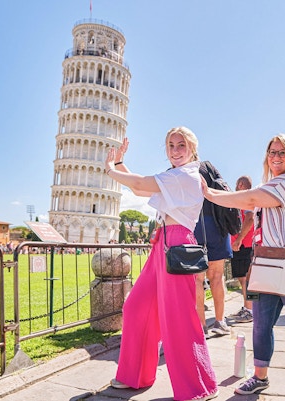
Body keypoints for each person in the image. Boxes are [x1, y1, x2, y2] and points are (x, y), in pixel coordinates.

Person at [202, 134, 285, 399]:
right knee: (261, 323)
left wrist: (209, 193)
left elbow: (249, 201)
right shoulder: (272, 183)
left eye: (282, 153)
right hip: (267, 258)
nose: (276, 157)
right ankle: (260, 376)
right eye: (271, 152)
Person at [104, 128, 218, 401]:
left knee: (178, 317)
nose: (176, 149)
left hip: (177, 241)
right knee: (136, 307)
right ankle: (134, 376)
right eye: (171, 145)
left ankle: (198, 386)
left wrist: (110, 169)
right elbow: (140, 187)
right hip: (163, 243)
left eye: (181, 145)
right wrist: (120, 165)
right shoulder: (174, 177)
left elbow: (142, 184)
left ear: (192, 149)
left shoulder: (188, 174)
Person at [195, 162, 233, 337]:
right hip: (217, 225)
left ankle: (201, 325)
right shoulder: (208, 167)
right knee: (217, 276)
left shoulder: (180, 170)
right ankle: (220, 321)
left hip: (195, 225)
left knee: (197, 279)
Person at [227, 176, 255, 323]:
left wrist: (239, 239)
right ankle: (249, 308)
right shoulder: (248, 199)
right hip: (246, 243)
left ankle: (250, 310)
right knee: (246, 278)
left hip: (244, 243)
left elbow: (249, 219)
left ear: (240, 184)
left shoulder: (245, 199)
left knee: (245, 279)